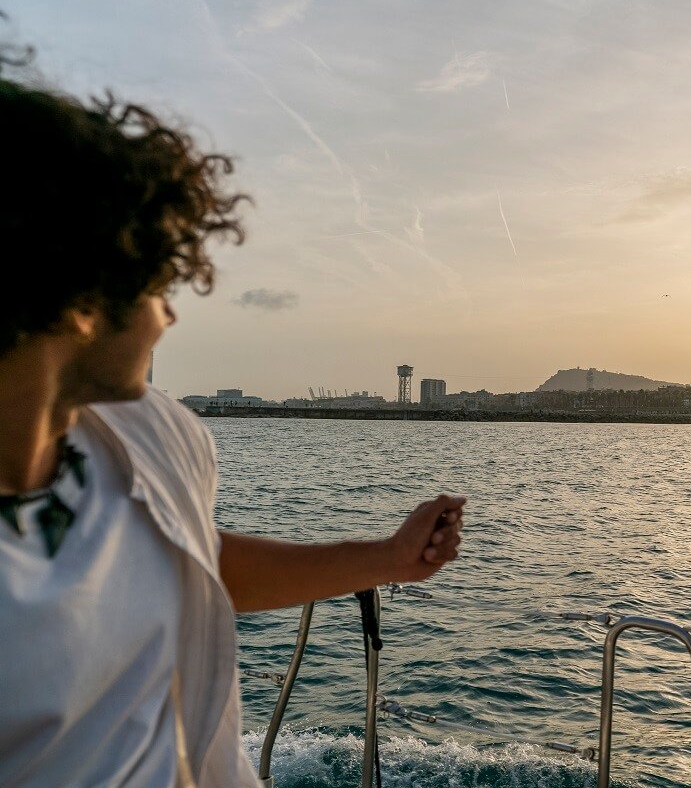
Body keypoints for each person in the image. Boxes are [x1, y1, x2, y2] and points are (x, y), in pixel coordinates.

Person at [0, 62, 465, 784]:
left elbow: (192, 562)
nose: (169, 315)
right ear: (80, 298)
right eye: (157, 285)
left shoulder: (155, 436)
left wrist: (389, 559)